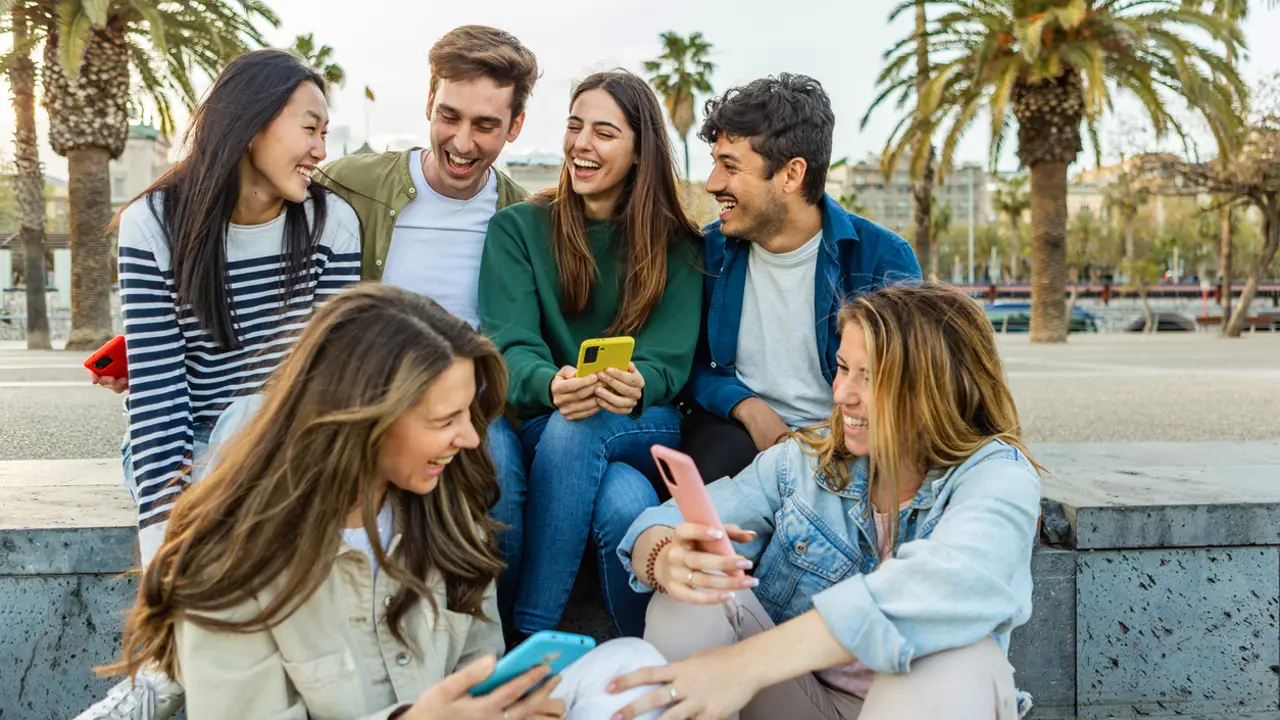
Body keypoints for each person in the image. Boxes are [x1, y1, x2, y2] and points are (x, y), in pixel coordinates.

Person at [101, 284, 671, 720]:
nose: (471, 440)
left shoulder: (449, 513)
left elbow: (480, 665)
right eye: (445, 421)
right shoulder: (230, 555)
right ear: (362, 422)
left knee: (634, 668)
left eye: (469, 417)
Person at [76, 48, 362, 720]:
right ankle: (166, 672)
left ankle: (158, 679)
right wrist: (160, 559)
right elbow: (156, 401)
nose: (321, 149)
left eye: (325, 133)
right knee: (226, 440)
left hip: (292, 446)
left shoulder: (330, 224)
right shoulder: (156, 222)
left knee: (256, 418)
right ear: (254, 122)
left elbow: (328, 388)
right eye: (310, 128)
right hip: (193, 444)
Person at [609, 283, 1042, 720]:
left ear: (936, 388)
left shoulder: (998, 475)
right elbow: (658, 524)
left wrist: (742, 666)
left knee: (962, 659)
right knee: (691, 594)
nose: (841, 395)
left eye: (868, 377)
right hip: (803, 702)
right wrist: (666, 558)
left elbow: (945, 588)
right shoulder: (807, 462)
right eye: (841, 368)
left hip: (917, 702)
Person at [479, 70, 703, 640]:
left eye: (604, 132)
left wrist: (639, 381)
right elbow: (509, 344)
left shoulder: (677, 244)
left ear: (638, 151)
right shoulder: (519, 229)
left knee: (586, 423)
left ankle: (527, 641)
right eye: (575, 126)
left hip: (637, 420)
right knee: (621, 501)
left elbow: (669, 361)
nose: (581, 144)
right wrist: (551, 383)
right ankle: (626, 655)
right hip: (540, 412)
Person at [679, 73, 922, 485]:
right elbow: (690, 362)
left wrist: (835, 439)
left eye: (730, 166)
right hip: (737, 437)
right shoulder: (707, 252)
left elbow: (912, 385)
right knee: (715, 455)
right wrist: (747, 407)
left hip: (852, 439)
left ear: (792, 175)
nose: (712, 184)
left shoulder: (883, 260)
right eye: (715, 163)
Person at [314, 24, 537, 321]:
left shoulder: (527, 220)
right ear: (430, 102)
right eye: (449, 116)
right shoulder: (343, 184)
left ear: (515, 126)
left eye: (485, 126)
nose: (462, 142)